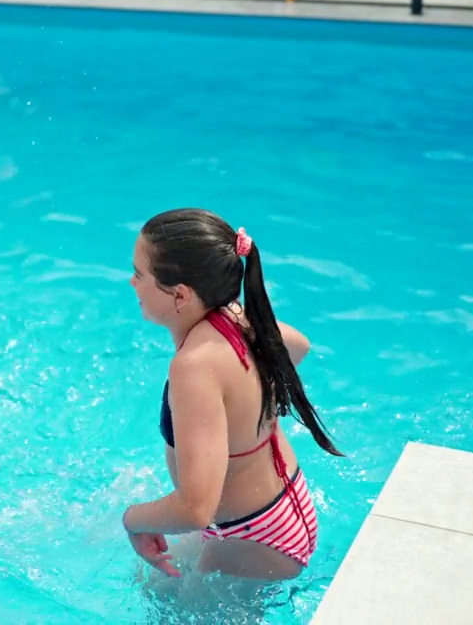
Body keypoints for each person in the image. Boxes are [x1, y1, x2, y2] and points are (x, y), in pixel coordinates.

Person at [121, 208, 345, 582]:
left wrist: (132, 520)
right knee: (151, 585)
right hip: (276, 514)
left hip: (252, 540)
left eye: (140, 274)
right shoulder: (233, 318)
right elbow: (297, 346)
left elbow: (195, 509)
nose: (131, 283)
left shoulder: (194, 366)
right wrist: (250, 406)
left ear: (179, 295)